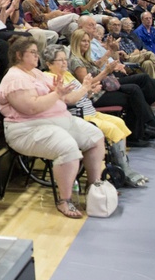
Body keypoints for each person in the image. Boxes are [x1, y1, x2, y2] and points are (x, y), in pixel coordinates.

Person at [0, 37, 106, 218]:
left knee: (95, 136)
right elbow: (31, 108)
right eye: (32, 52)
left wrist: (82, 88)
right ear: (18, 55)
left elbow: (66, 98)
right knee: (68, 148)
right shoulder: (14, 78)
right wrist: (56, 94)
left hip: (58, 121)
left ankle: (93, 187)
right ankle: (65, 200)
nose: (36, 56)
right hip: (27, 128)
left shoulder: (37, 73)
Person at [43, 44, 148, 187]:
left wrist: (90, 91)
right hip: (76, 117)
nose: (64, 63)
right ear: (49, 64)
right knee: (112, 128)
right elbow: (69, 100)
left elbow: (81, 94)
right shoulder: (50, 78)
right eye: (59, 60)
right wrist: (86, 88)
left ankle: (122, 167)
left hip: (90, 111)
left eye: (65, 59)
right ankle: (125, 171)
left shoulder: (67, 74)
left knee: (119, 122)